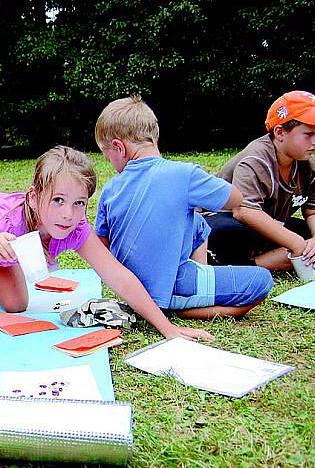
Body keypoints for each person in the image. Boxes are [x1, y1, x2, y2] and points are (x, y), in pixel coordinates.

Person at [0, 145, 213, 340]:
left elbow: (118, 275)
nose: (68, 214)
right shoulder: (6, 220)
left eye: (79, 203)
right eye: (58, 200)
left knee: (16, 305)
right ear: (35, 198)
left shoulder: (76, 228)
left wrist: (167, 328)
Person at [93, 95, 273, 320]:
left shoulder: (110, 189)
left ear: (119, 148)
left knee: (198, 222)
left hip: (129, 289)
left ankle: (193, 283)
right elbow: (236, 199)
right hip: (170, 286)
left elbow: (102, 243)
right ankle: (185, 307)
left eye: (106, 155)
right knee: (262, 281)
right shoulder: (183, 174)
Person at [204, 90, 315, 270]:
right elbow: (244, 212)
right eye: (309, 134)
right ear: (280, 132)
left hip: (269, 226)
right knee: (225, 233)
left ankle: (263, 260)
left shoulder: (308, 166)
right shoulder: (255, 160)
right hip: (230, 220)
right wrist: (295, 243)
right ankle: (258, 264)